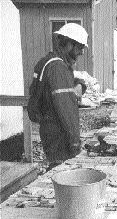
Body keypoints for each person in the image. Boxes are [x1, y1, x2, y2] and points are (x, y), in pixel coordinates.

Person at [29, 23, 88, 171]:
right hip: (59, 133)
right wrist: (74, 142)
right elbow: (67, 109)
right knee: (62, 171)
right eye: (80, 47)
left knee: (57, 168)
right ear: (68, 43)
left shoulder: (46, 62)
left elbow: (67, 82)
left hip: (49, 129)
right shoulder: (58, 68)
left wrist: (80, 84)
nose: (81, 52)